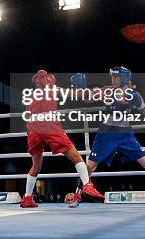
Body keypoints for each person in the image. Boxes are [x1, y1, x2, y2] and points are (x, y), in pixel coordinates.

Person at [72, 67, 145, 206]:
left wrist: (139, 104)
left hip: (125, 134)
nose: (112, 79)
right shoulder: (106, 91)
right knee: (89, 167)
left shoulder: (134, 94)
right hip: (106, 134)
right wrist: (81, 88)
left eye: (116, 77)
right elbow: (87, 99)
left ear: (124, 79)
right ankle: (77, 196)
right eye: (112, 77)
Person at [21, 70, 103, 208]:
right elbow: (76, 94)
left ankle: (27, 198)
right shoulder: (52, 89)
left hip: (33, 129)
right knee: (76, 157)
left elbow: (27, 118)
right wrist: (90, 91)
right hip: (49, 126)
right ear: (47, 80)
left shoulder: (30, 95)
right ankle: (87, 185)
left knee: (35, 166)